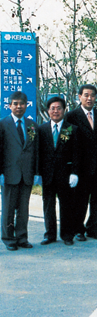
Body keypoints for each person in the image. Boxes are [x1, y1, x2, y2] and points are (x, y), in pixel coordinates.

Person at [65, 84, 97, 241]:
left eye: (92, 95)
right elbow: (68, 142)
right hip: (81, 166)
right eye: (86, 95)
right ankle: (78, 229)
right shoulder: (71, 116)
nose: (90, 98)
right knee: (80, 199)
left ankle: (93, 228)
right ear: (79, 97)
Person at [38, 97, 81, 246]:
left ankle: (67, 235)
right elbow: (39, 153)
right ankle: (49, 235)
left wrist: (75, 172)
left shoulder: (72, 129)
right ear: (48, 111)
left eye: (59, 108)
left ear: (64, 110)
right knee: (48, 205)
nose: (55, 111)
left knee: (67, 205)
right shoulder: (41, 129)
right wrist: (38, 173)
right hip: (48, 174)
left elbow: (77, 153)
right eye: (52, 108)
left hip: (66, 174)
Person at [0, 92, 39, 251]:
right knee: (8, 209)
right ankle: (8, 238)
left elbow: (35, 151)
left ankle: (22, 237)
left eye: (21, 103)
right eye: (15, 103)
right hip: (9, 174)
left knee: (23, 209)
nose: (18, 106)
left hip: (27, 174)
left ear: (26, 105)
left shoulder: (32, 125)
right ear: (9, 106)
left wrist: (36, 172)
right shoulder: (3, 124)